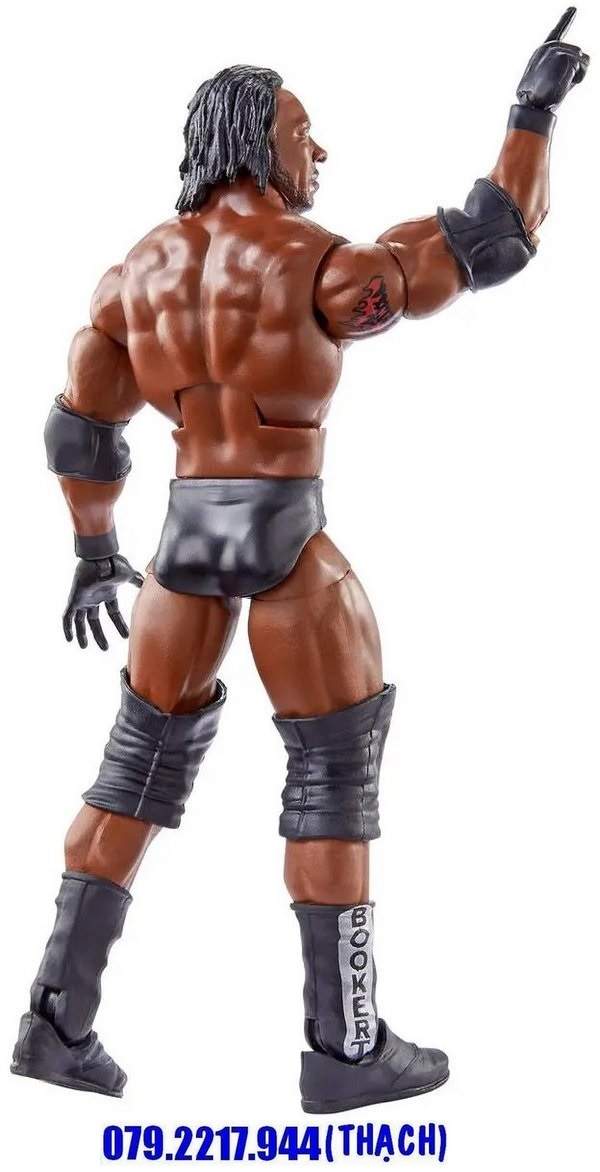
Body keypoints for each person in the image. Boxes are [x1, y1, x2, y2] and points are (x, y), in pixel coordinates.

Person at [12, 10, 589, 1112]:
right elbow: (497, 237)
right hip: (283, 541)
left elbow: (80, 428)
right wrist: (534, 109)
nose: (318, 150)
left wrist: (94, 553)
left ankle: (54, 1023)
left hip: (182, 547)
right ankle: (346, 1049)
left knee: (133, 775)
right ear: (254, 141)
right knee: (333, 781)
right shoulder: (318, 266)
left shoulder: (133, 277)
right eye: (302, 132)